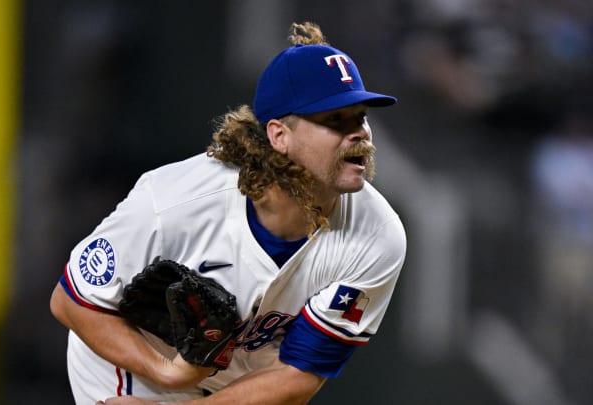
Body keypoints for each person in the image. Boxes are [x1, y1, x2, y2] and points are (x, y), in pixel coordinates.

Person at [50, 21, 406, 405]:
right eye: (334, 120)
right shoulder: (175, 199)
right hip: (138, 364)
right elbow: (72, 300)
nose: (360, 134)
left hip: (241, 386)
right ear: (279, 135)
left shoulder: (377, 234)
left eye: (360, 116)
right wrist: (165, 373)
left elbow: (299, 375)